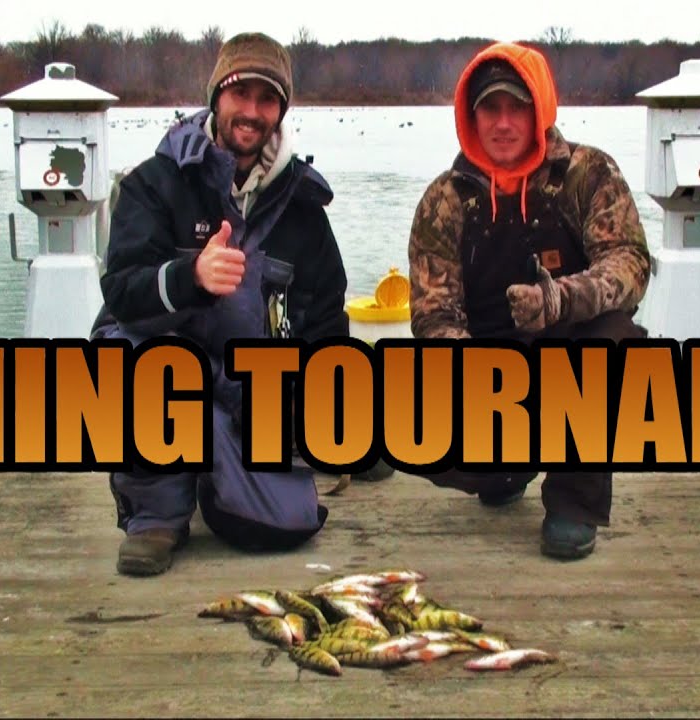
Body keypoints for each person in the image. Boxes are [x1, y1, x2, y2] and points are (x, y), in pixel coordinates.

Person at [93, 32, 349, 577]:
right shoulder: (154, 183)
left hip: (244, 383)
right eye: (240, 94)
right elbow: (121, 291)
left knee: (288, 524)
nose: (252, 111)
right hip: (163, 362)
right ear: (216, 97)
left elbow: (326, 318)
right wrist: (191, 277)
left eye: (267, 99)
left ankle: (216, 466)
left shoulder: (304, 206)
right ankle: (156, 513)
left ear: (281, 110)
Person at [407, 41, 652, 560]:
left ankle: (574, 501)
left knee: (612, 342)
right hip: (491, 359)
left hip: (571, 345)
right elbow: (433, 311)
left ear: (539, 109)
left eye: (516, 108)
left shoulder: (588, 173)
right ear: (471, 116)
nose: (503, 123)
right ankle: (505, 470)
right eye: (490, 109)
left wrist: (560, 299)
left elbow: (629, 263)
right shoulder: (444, 199)